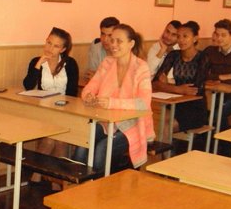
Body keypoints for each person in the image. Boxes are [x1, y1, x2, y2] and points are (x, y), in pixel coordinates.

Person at [74, 24, 154, 171]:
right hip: (105, 121)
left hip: (130, 125)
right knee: (82, 144)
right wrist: (88, 96)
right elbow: (89, 88)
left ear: (131, 44)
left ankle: (100, 185)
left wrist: (112, 103)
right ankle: (80, 183)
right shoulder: (107, 62)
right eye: (112, 40)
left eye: (119, 41)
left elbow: (143, 103)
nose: (113, 45)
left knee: (101, 150)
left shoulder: (141, 67)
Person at [23, 27, 78, 160]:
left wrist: (63, 109)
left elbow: (72, 93)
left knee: (59, 141)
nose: (50, 48)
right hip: (43, 109)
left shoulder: (70, 64)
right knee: (50, 140)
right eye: (49, 43)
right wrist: (38, 65)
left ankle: (49, 173)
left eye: (56, 46)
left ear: (63, 49)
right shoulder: (36, 61)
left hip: (65, 110)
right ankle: (37, 171)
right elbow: (27, 86)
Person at [152, 21, 209, 141]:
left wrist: (166, 86)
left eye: (185, 36)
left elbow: (195, 91)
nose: (181, 40)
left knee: (165, 126)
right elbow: (155, 83)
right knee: (155, 121)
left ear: (195, 38)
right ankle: (165, 151)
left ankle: (166, 153)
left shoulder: (203, 57)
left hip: (194, 108)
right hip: (175, 104)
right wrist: (178, 89)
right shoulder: (173, 55)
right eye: (178, 36)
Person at [85, 16, 120, 81]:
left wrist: (100, 77)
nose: (105, 39)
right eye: (103, 34)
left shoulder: (123, 51)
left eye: (110, 35)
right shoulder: (95, 48)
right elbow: (90, 75)